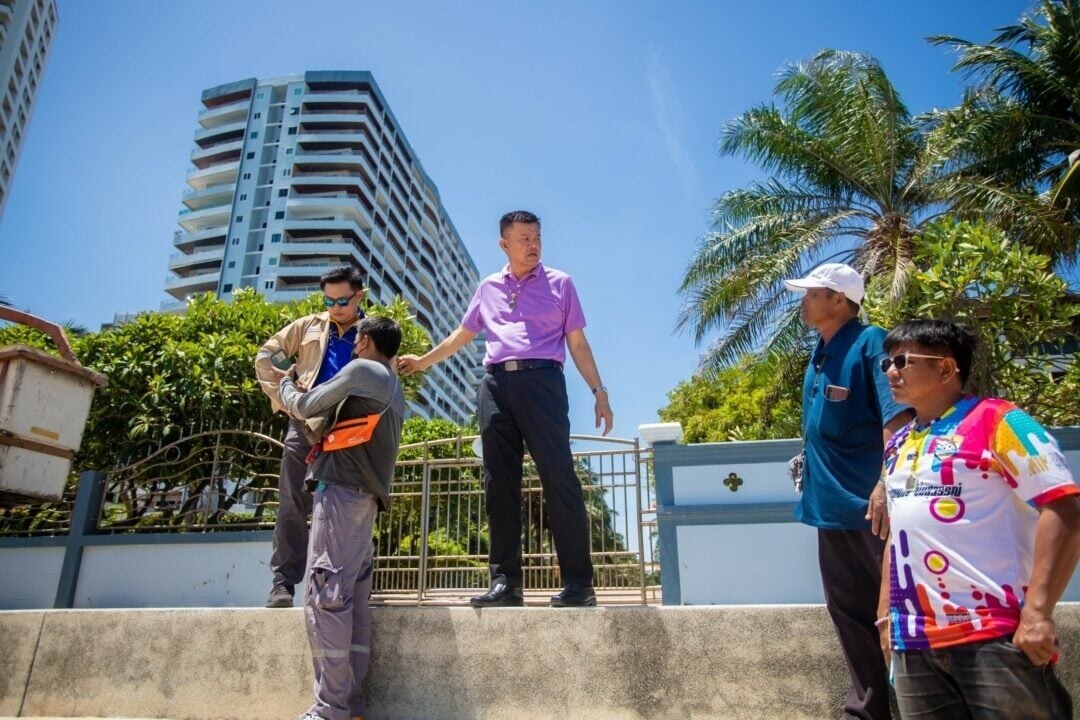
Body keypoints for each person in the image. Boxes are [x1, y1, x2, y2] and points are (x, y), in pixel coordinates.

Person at [397, 210, 613, 608]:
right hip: (495, 384)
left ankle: (579, 584)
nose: (533, 245)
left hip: (543, 381)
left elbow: (578, 344)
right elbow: (463, 334)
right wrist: (423, 361)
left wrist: (599, 391)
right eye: (524, 238)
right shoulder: (488, 287)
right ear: (504, 244)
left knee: (559, 477)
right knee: (499, 483)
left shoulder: (560, 284)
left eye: (537, 238)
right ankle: (506, 584)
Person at [878, 319, 1079, 719]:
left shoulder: (1002, 421)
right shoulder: (898, 443)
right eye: (887, 362)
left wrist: (1037, 613)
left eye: (903, 360)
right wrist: (886, 619)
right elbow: (899, 531)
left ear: (946, 369)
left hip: (995, 635)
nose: (890, 372)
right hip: (914, 644)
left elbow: (1064, 508)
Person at [784, 263, 911, 720]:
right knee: (848, 618)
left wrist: (885, 483)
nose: (803, 300)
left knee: (896, 614)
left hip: (869, 508)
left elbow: (897, 419)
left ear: (839, 300)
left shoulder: (870, 341)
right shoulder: (819, 354)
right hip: (828, 508)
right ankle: (867, 711)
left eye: (811, 293)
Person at [275, 316, 406, 720]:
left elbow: (304, 405)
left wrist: (284, 384)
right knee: (352, 601)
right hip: (363, 498)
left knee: (325, 596)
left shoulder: (362, 369)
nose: (352, 345)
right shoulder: (393, 383)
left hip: (342, 492)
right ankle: (350, 705)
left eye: (357, 339)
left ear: (365, 340)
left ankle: (328, 709)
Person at [254, 265, 366, 608]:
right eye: (329, 300)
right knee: (292, 502)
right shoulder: (307, 326)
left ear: (359, 295)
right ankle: (282, 584)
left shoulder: (372, 331)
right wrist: (283, 399)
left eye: (343, 300)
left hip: (350, 428)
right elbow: (264, 355)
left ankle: (343, 587)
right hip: (303, 423)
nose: (335, 307)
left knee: (347, 506)